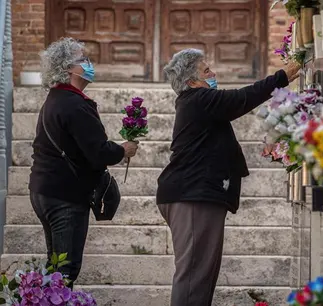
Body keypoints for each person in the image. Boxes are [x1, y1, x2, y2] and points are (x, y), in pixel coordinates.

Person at [157, 48, 301, 306]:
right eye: (206, 71)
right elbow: (240, 99)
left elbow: (220, 146)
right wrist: (281, 77)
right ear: (191, 81)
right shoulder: (198, 98)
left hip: (197, 194)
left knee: (201, 275)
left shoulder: (200, 104)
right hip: (191, 196)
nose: (213, 74)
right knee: (193, 277)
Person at [29, 37, 139, 285]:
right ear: (68, 68)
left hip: (45, 190)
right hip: (64, 196)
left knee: (55, 265)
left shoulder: (57, 99)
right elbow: (98, 152)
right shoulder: (74, 104)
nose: (89, 64)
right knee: (66, 270)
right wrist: (123, 150)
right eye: (83, 59)